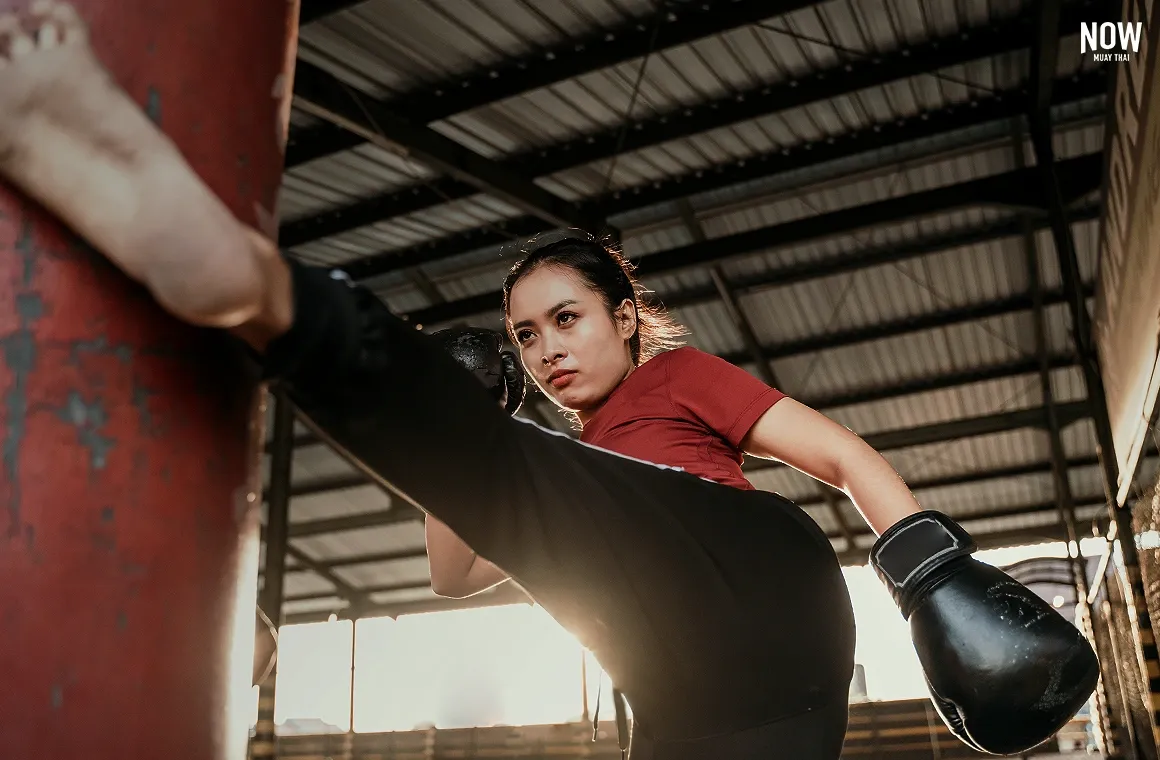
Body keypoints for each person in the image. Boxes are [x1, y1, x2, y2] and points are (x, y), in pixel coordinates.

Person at [0, 5, 1098, 759]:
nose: (545, 350)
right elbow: (454, 567)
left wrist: (930, 579)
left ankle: (250, 284)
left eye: (564, 320)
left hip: (749, 580)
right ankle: (269, 297)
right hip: (680, 686)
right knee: (522, 493)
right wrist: (463, 417)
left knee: (541, 490)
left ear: (622, 317)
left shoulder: (676, 377)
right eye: (524, 339)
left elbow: (839, 456)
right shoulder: (549, 471)